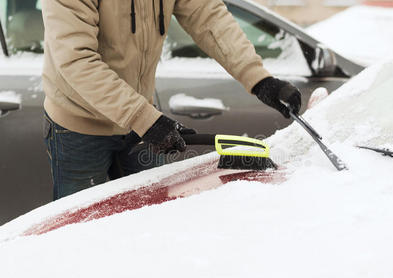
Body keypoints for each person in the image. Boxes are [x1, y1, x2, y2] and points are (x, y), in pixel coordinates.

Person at [41, 0, 308, 200]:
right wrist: (145, 119)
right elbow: (76, 60)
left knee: (153, 222)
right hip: (79, 127)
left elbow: (208, 17)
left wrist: (259, 79)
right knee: (79, 232)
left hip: (141, 121)